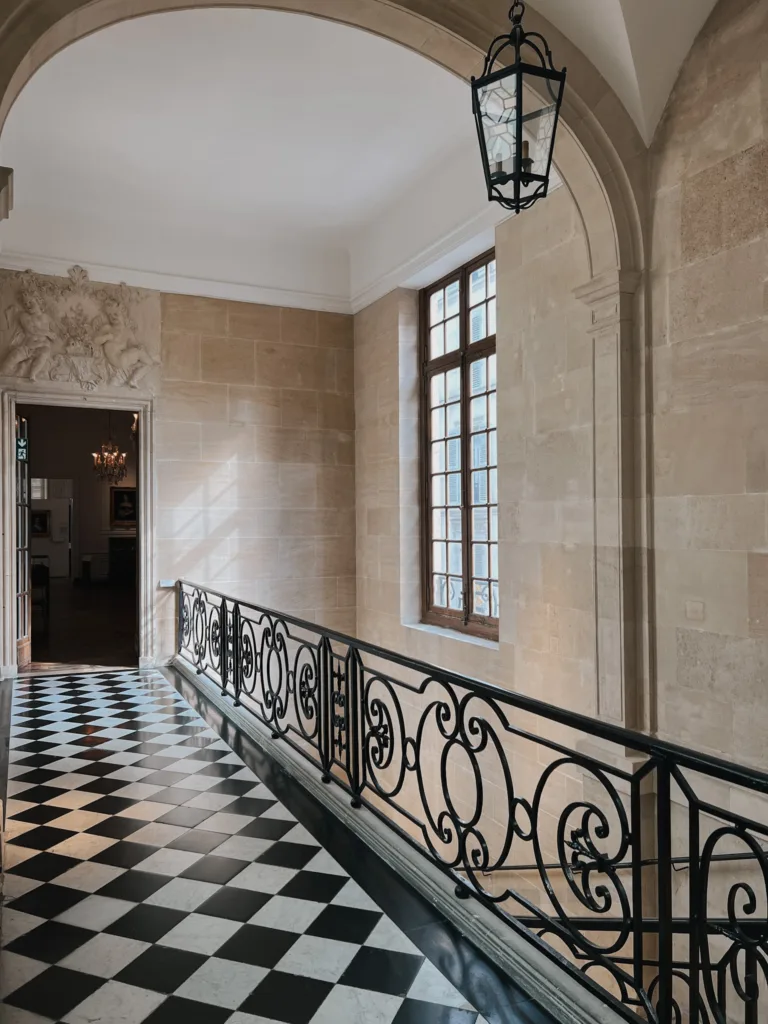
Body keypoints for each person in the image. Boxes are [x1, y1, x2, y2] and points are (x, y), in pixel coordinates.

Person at [93, 299, 156, 388]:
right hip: (119, 360)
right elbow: (96, 340)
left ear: (123, 314)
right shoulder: (108, 328)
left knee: (145, 358)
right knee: (148, 361)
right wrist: (106, 337)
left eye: (116, 314)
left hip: (123, 359)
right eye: (110, 315)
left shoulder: (127, 332)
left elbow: (134, 345)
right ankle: (134, 377)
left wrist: (140, 346)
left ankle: (134, 377)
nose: (113, 317)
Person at [1, 287, 59, 380]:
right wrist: (48, 333)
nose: (27, 305)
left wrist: (54, 337)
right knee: (12, 358)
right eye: (25, 304)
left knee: (43, 356)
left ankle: (33, 374)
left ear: (38, 301)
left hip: (42, 347)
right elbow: (31, 329)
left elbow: (55, 333)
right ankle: (3, 372)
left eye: (30, 302)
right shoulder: (24, 316)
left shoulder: (47, 318)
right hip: (27, 347)